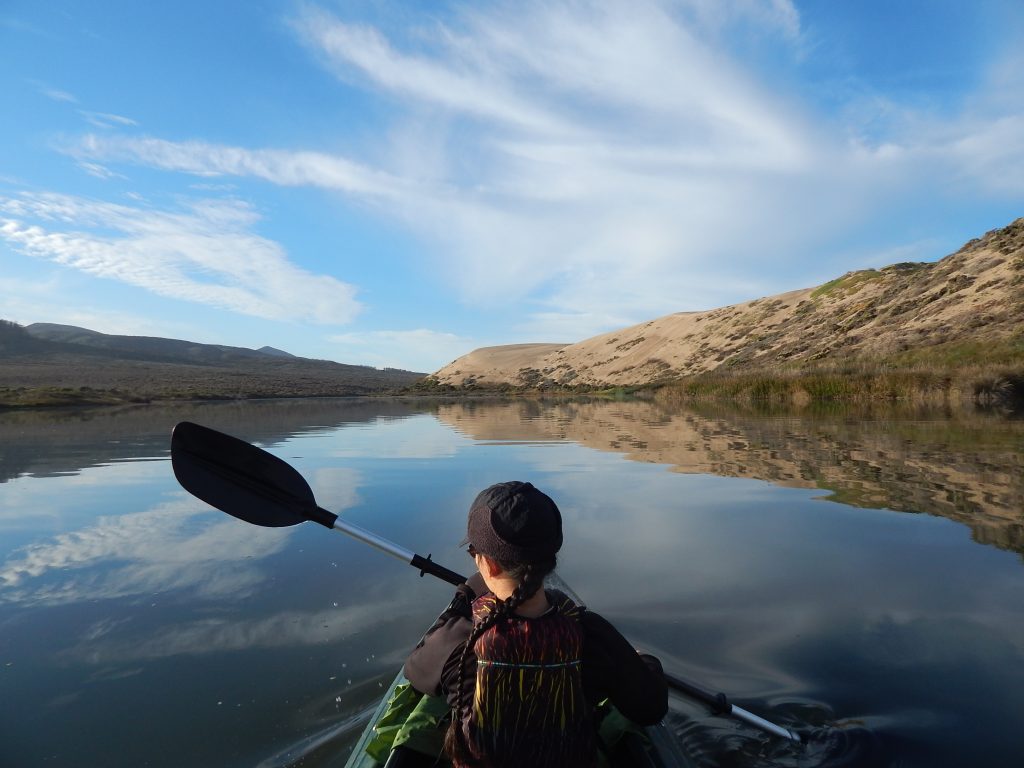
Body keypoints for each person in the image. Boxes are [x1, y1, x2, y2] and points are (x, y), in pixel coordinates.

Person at [404, 481, 668, 768]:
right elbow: (651, 708)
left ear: (489, 565)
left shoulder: (461, 639)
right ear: (550, 560)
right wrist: (647, 661)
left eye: (473, 553)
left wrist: (463, 597)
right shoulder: (591, 633)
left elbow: (415, 671)